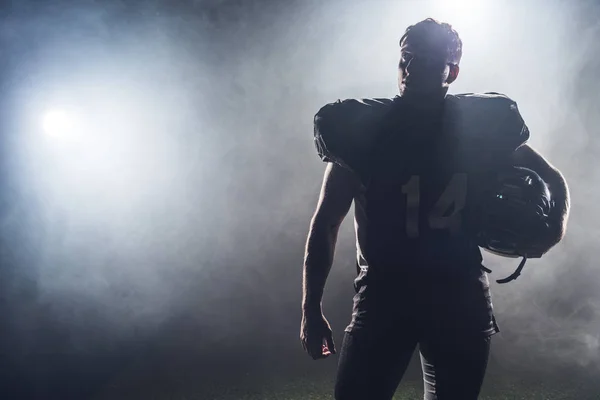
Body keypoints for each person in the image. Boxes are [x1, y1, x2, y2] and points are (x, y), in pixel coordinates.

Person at [299, 18, 570, 400]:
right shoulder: (364, 130)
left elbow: (552, 177)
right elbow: (325, 223)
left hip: (456, 292)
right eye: (406, 58)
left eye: (425, 60)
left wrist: (555, 226)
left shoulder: (477, 128)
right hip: (386, 293)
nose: (410, 68)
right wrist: (311, 308)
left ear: (452, 71)